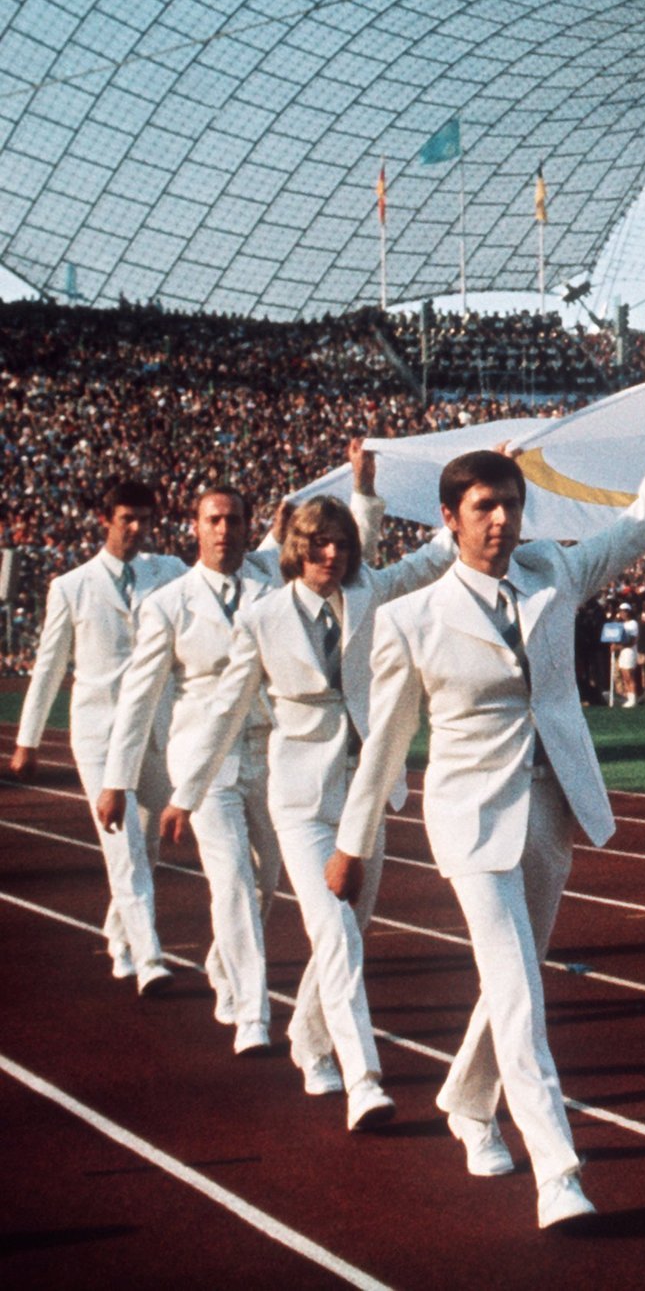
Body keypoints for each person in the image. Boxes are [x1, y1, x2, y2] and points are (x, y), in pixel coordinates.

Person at [332, 348, 645, 1228]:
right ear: (450, 522)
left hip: (550, 805)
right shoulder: (411, 618)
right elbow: (385, 740)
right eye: (483, 508)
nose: (500, 521)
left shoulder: (555, 573)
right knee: (516, 985)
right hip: (466, 817)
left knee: (519, 978)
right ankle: (559, 1172)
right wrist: (353, 843)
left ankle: (466, 1098)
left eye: (509, 505)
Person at [158, 445, 454, 1129]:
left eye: (341, 544)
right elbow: (227, 708)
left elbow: (428, 562)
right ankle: (365, 1079)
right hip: (298, 799)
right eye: (317, 545)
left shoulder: (369, 593)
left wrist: (449, 494)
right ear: (296, 549)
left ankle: (309, 1040)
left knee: (352, 929)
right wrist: (187, 791)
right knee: (336, 933)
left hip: (365, 790)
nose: (330, 556)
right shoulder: (262, 619)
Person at [98, 482, 305, 1054]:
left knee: (268, 878)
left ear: (246, 527)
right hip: (202, 761)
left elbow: (297, 543)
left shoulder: (273, 584)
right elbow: (139, 697)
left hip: (267, 749)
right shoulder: (167, 604)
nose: (222, 531)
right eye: (212, 520)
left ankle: (224, 961)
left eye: (232, 521)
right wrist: (117, 780)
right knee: (232, 879)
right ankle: (252, 1015)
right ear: (195, 527)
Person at [11, 479, 186, 995]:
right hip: (99, 735)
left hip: (157, 729)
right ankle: (151, 956)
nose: (136, 529)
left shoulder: (169, 573)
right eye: (127, 519)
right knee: (124, 846)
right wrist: (29, 740)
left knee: (147, 847)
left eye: (144, 520)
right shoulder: (72, 586)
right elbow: (48, 668)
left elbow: (225, 574)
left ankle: (120, 937)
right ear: (105, 520)